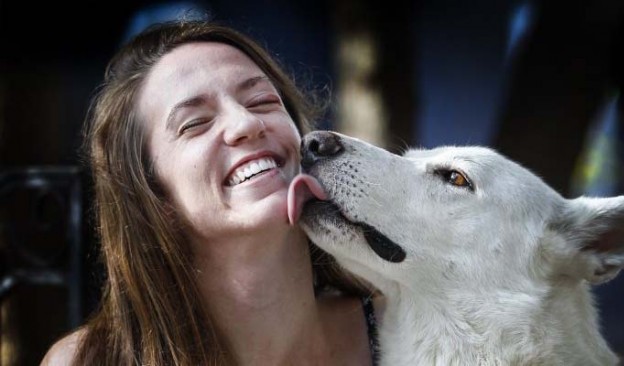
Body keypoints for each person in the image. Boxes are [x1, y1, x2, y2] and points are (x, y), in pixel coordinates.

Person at [40, 20, 381, 365]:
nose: (246, 123)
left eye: (262, 101)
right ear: (153, 196)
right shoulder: (88, 361)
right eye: (196, 123)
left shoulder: (405, 324)